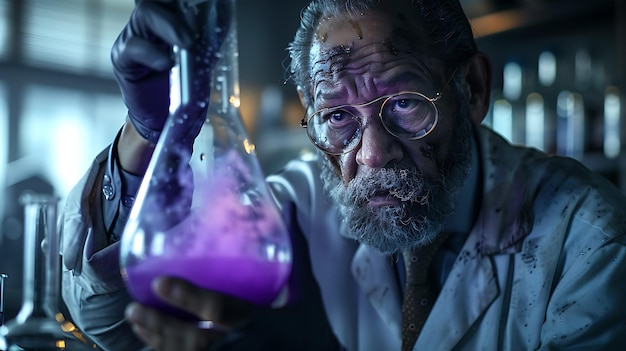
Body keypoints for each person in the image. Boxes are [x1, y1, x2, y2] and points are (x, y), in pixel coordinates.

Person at [59, 0, 626, 350]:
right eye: (336, 117)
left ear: (471, 90)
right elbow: (115, 328)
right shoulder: (299, 206)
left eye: (405, 102)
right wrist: (149, 133)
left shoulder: (587, 234)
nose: (373, 154)